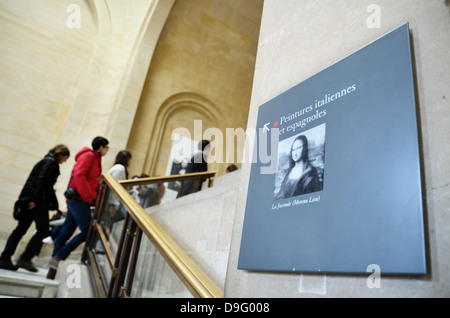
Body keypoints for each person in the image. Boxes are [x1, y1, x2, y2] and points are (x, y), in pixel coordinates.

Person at [0, 145, 70, 272]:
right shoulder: (51, 163)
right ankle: (25, 258)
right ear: (62, 155)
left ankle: (5, 258)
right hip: (37, 201)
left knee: (20, 230)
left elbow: (38, 181)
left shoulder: (46, 161)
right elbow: (40, 181)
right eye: (65, 158)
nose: (65, 161)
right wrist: (34, 200)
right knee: (42, 229)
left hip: (33, 199)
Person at [47, 136, 109, 279]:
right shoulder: (88, 156)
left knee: (66, 231)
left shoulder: (95, 158)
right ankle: (58, 257)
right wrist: (89, 196)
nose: (106, 151)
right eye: (106, 148)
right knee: (88, 231)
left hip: (80, 200)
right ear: (101, 147)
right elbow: (79, 175)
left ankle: (53, 265)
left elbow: (92, 180)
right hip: (79, 199)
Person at [274, 135, 321, 200]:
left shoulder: (310, 173)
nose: (295, 153)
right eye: (293, 150)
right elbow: (281, 193)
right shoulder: (289, 172)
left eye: (299, 148)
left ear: (304, 148)